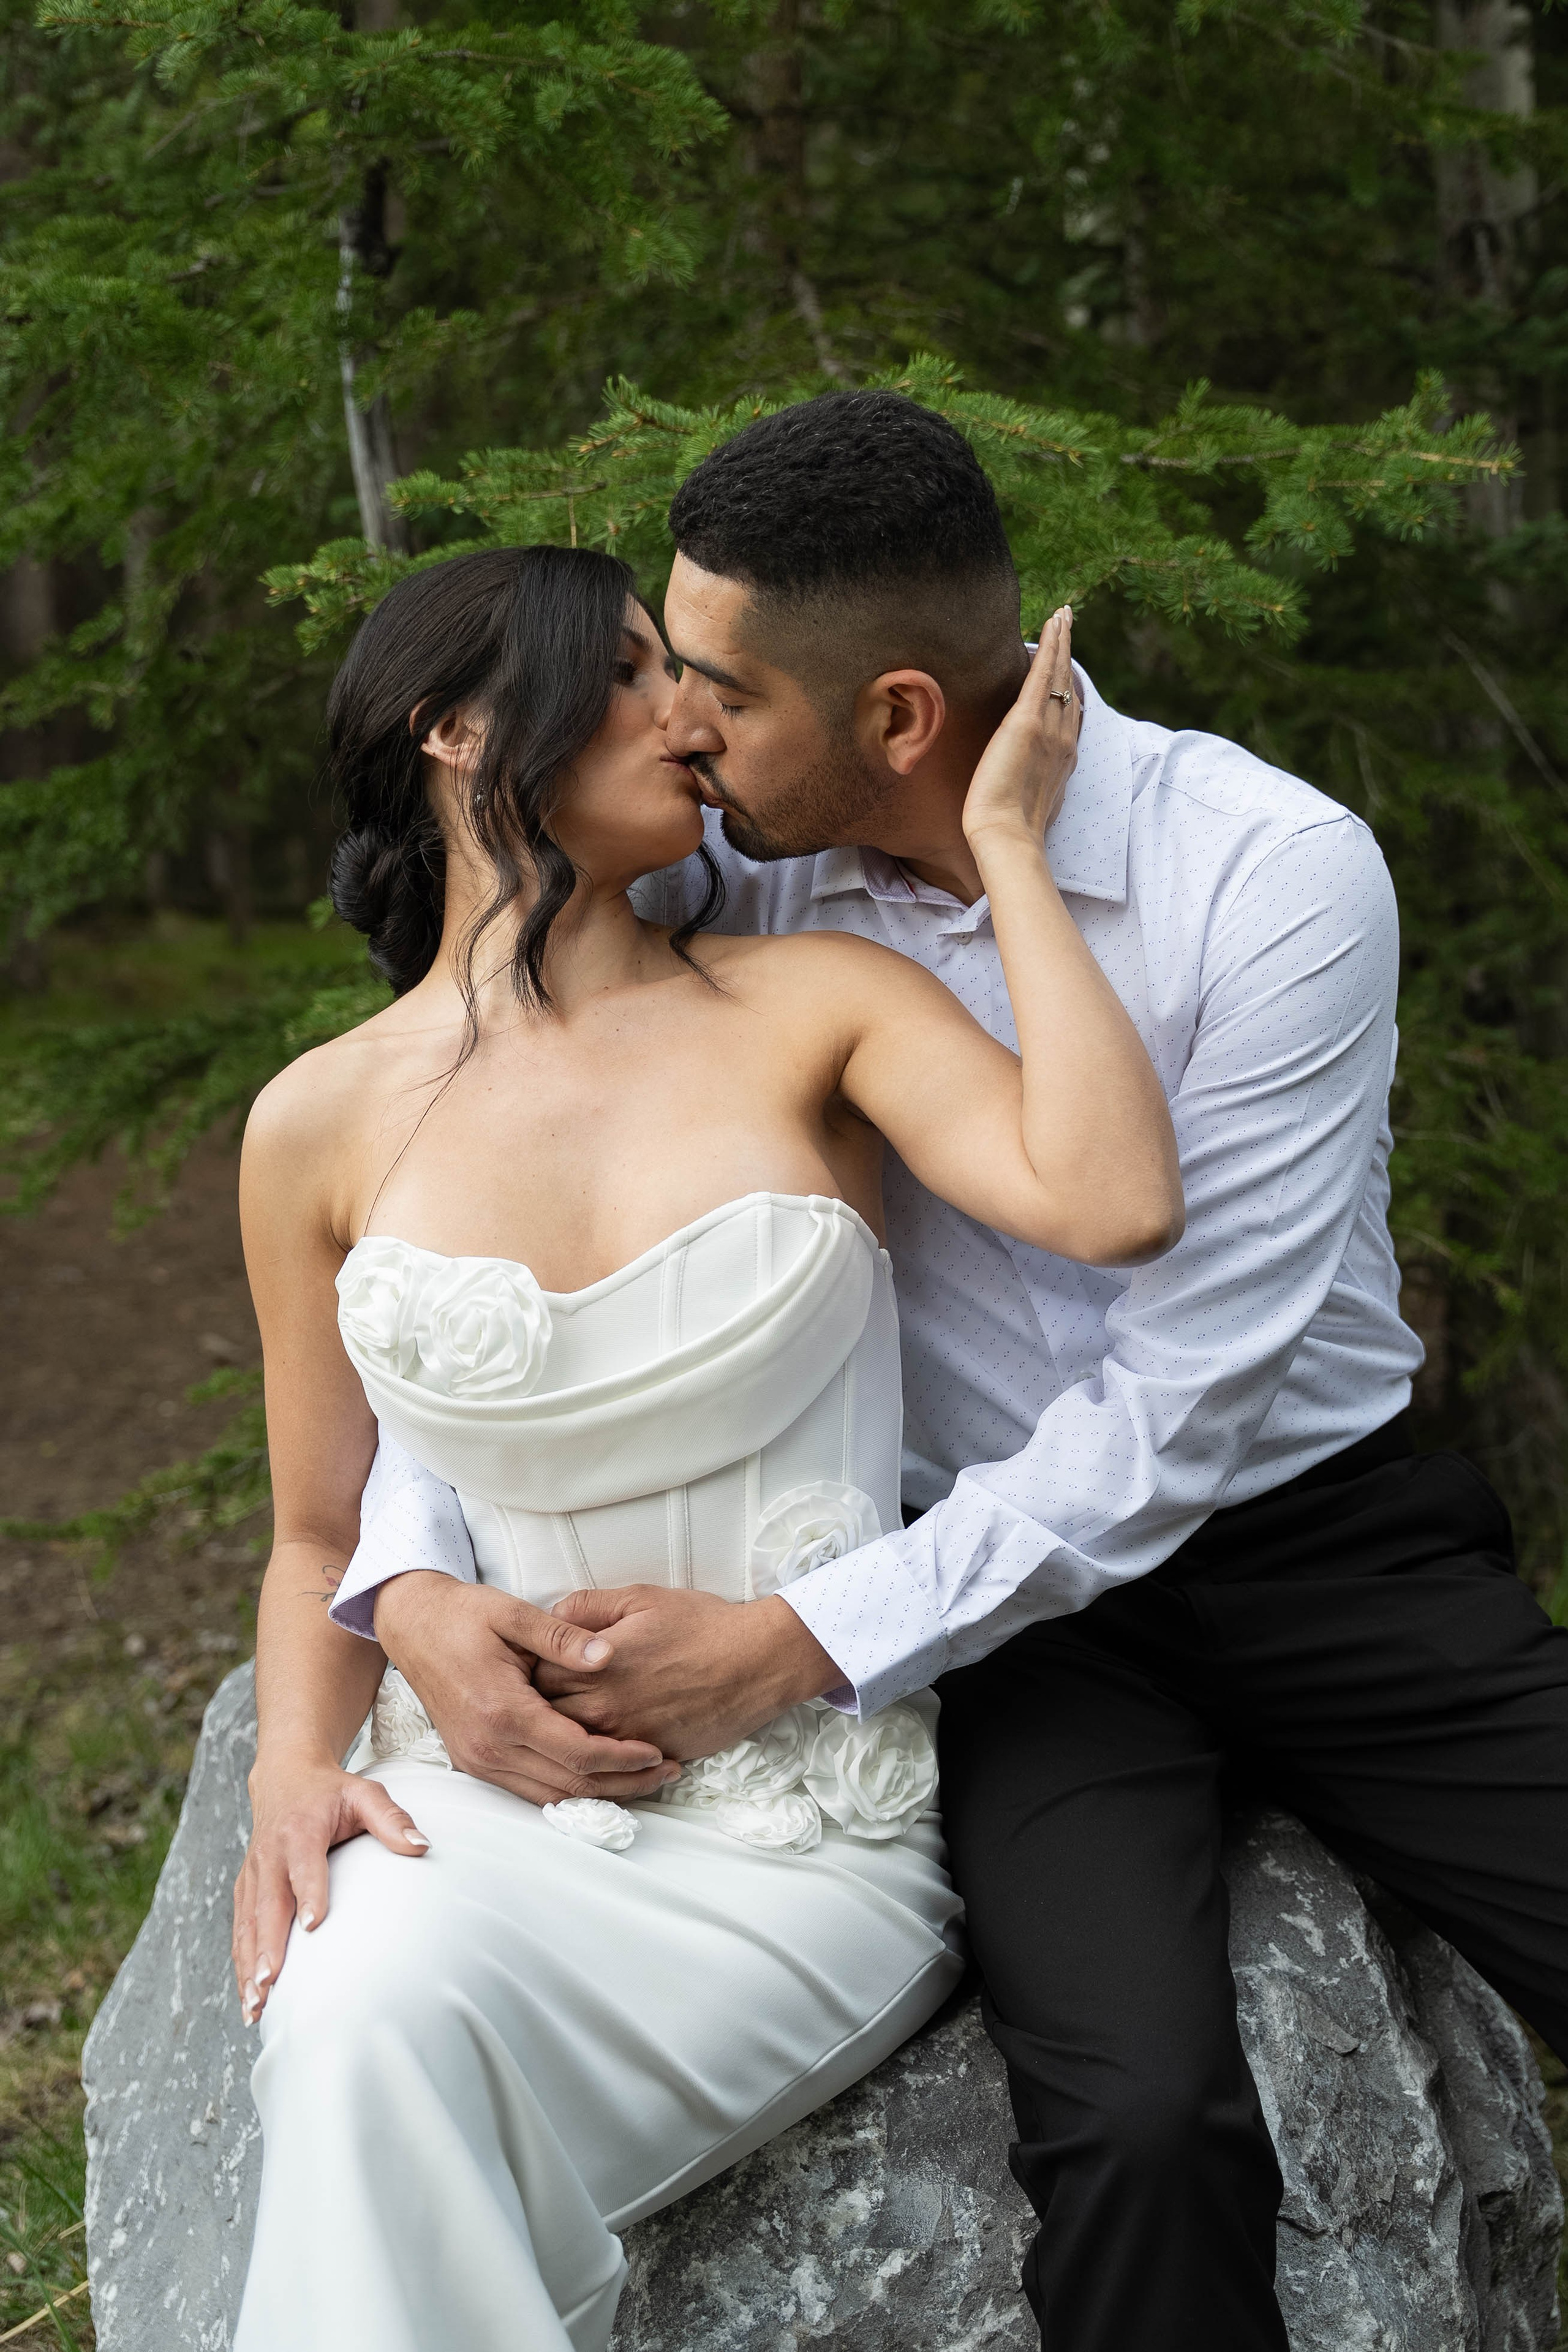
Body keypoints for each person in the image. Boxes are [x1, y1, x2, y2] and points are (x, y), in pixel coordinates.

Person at [344, 391, 1568, 2351]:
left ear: (898, 718)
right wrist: (402, 1578)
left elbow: (1182, 1411)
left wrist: (797, 1643)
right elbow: (479, 1229)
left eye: (715, 690)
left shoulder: (1271, 873)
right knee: (1142, 2117)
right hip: (1019, 1641)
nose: (673, 728)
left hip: (1333, 1555)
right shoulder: (728, 880)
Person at [228, 532, 1183, 2351]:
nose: (693, 717)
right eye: (633, 672)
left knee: (379, 2048)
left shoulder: (811, 1005)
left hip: (799, 1831)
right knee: (352, 1997)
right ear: (455, 734)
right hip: (484, 1805)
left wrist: (1008, 850)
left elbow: (1115, 1196)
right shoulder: (314, 1126)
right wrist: (295, 1767)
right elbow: (312, 1533)